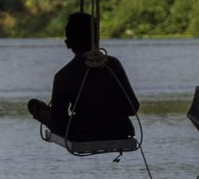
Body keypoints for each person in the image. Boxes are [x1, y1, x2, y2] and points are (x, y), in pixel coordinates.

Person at [28, 12, 139, 143]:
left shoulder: (63, 76)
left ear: (67, 43)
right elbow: (133, 108)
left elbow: (59, 125)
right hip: (121, 131)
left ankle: (41, 111)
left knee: (34, 105)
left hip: (84, 133)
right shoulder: (112, 64)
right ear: (97, 40)